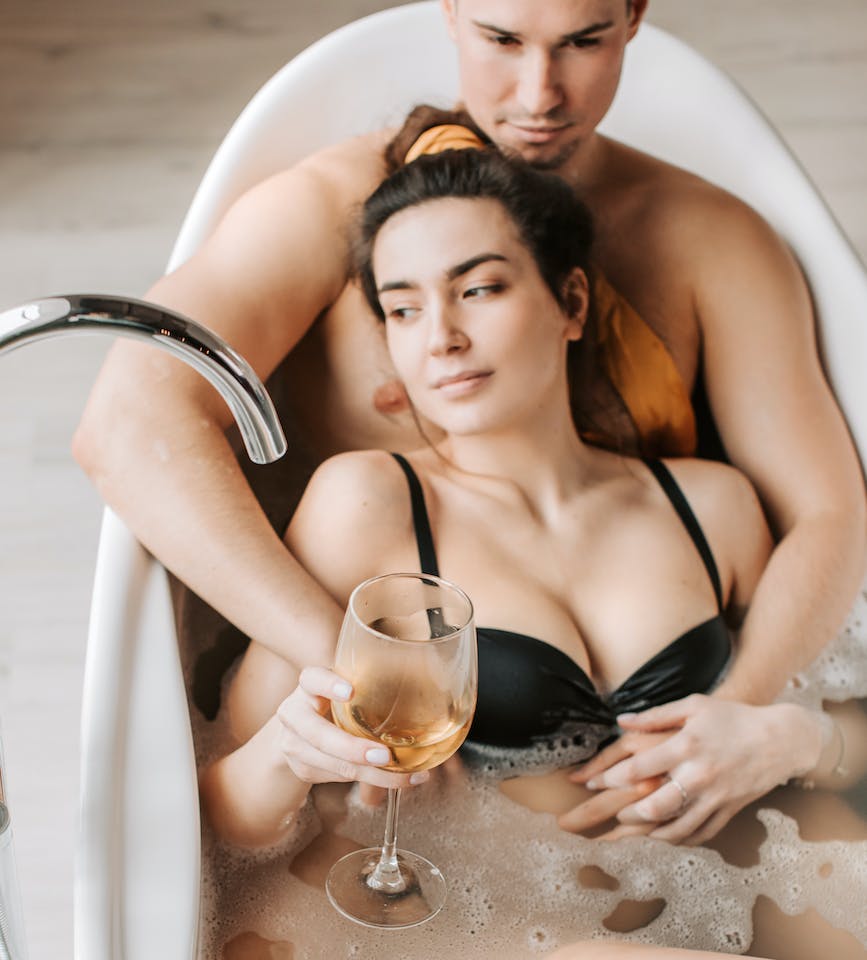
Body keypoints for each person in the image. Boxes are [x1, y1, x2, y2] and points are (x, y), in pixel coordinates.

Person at [198, 147, 867, 960]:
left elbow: (841, 727)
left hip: (719, 919)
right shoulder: (373, 504)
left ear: (569, 303)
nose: (441, 335)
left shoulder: (710, 507)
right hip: (493, 956)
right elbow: (216, 814)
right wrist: (286, 752)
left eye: (479, 287)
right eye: (402, 309)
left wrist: (793, 738)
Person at [71, 0, 866, 842]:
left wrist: (740, 721)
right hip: (421, 757)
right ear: (450, 11)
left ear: (633, 16)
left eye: (582, 41)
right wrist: (360, 671)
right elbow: (130, 426)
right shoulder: (330, 210)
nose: (539, 93)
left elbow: (825, 510)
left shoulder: (710, 240)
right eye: (501, 40)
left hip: (668, 693)